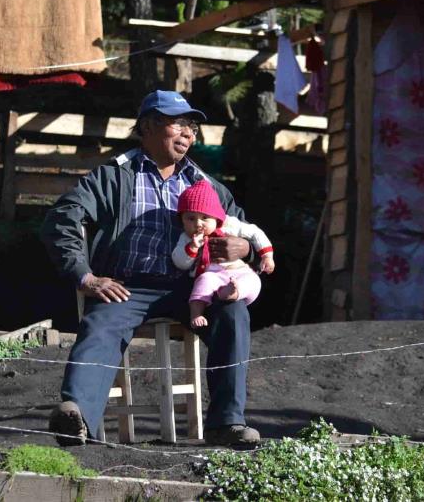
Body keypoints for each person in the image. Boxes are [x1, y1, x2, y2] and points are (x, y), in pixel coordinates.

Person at [40, 90, 262, 446]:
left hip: (195, 288)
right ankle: (77, 418)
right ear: (147, 127)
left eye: (191, 126)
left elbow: (243, 230)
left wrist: (247, 248)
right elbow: (63, 219)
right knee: (101, 325)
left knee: (233, 314)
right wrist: (85, 276)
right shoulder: (114, 177)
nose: (188, 133)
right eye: (178, 124)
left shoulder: (205, 185)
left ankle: (226, 424)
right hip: (128, 286)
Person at [172, 180, 274, 328]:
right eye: (191, 218)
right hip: (212, 274)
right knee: (203, 283)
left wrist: (267, 256)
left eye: (205, 218)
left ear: (216, 217)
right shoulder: (186, 238)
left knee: (253, 280)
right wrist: (192, 248)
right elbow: (180, 262)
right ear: (182, 220)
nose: (198, 224)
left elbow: (255, 233)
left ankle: (234, 292)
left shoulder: (230, 225)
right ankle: (196, 313)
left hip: (238, 271)